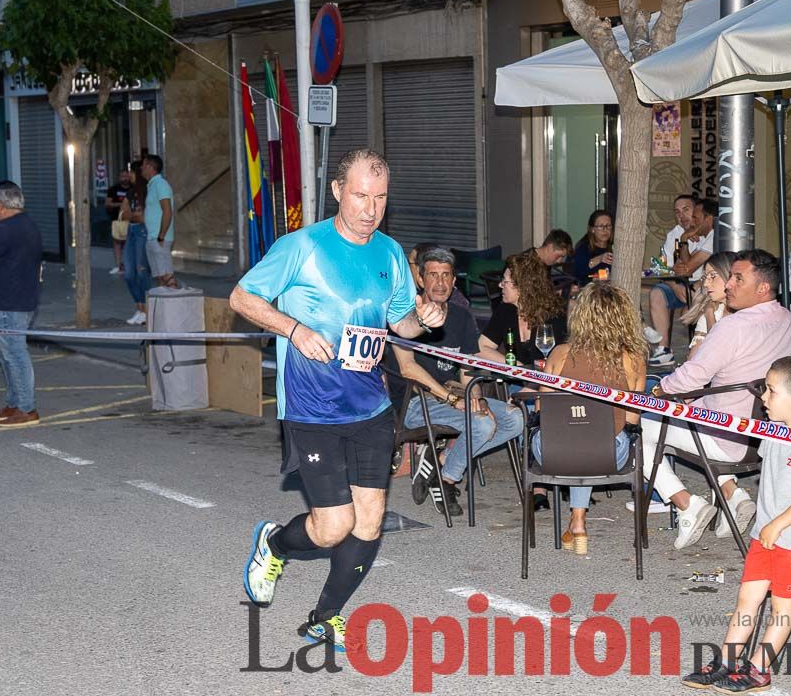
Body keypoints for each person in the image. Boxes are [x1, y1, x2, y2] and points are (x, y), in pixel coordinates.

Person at [232, 148, 445, 654]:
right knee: (333, 526)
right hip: (312, 408)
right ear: (337, 192)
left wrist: (425, 319)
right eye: (360, 196)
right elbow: (242, 298)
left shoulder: (391, 253)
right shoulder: (301, 247)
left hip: (370, 407)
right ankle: (275, 544)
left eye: (380, 198)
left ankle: (325, 617)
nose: (370, 209)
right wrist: (295, 329)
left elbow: (401, 324)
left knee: (368, 519)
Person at [682, 356, 791, 693]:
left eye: (770, 390)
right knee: (747, 599)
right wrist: (768, 525)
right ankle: (726, 661)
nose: (762, 397)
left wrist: (777, 525)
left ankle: (760, 669)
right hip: (766, 532)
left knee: (782, 607)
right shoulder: (775, 431)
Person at [640, 250, 791, 550]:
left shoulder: (734, 326)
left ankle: (685, 502)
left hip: (723, 437)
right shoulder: (789, 320)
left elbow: (690, 378)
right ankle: (732, 495)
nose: (729, 285)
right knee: (692, 408)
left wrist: (657, 391)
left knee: (638, 427)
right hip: (762, 435)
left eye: (738, 279)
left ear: (762, 288)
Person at [394, 247, 524, 518]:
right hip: (416, 401)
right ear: (420, 279)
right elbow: (408, 369)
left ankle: (442, 467)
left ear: (454, 282)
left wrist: (475, 397)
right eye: (433, 275)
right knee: (482, 424)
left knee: (515, 419)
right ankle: (448, 478)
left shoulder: (462, 317)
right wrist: (453, 400)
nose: (440, 283)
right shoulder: (404, 316)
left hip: (451, 397)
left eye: (446, 276)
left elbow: (466, 370)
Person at [531, 282, 648, 554]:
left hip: (554, 452)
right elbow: (633, 419)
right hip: (607, 454)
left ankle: (578, 520)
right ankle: (578, 520)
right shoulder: (634, 359)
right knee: (592, 439)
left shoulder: (560, 354)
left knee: (571, 435)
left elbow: (542, 407)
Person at [0, 182, 44, 428]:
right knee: (6, 355)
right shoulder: (24, 224)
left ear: (0, 206)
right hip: (10, 300)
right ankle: (15, 402)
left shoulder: (8, 227)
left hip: (9, 303)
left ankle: (26, 407)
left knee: (14, 354)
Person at [645, 194, 714, 365]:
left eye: (686, 210)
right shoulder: (673, 235)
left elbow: (687, 266)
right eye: (677, 212)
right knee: (657, 293)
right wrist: (675, 285)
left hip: (701, 284)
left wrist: (681, 269)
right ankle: (664, 350)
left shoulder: (708, 231)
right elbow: (664, 269)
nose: (681, 216)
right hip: (678, 283)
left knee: (688, 311)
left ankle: (704, 351)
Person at [478, 252, 566, 367]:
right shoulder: (505, 309)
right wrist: (517, 367)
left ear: (522, 287)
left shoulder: (552, 315)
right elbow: (481, 347)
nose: (500, 285)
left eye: (505, 281)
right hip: (518, 380)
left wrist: (529, 380)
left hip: (546, 381)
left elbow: (558, 361)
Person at [679, 251, 735, 354]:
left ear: (729, 274)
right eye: (705, 277)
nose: (705, 284)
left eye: (713, 276)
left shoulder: (748, 312)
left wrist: (709, 315)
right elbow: (695, 357)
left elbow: (718, 350)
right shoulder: (714, 310)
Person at [119, 159, 152, 324]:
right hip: (131, 231)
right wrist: (133, 215)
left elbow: (144, 217)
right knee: (128, 273)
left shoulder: (147, 191)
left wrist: (132, 214)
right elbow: (124, 214)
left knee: (141, 271)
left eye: (132, 172)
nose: (129, 175)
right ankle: (140, 308)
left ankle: (146, 309)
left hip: (142, 232)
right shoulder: (130, 193)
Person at [141, 154, 178, 288]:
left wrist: (161, 236)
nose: (141, 168)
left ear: (150, 167)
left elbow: (167, 210)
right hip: (153, 237)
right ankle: (165, 307)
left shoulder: (161, 184)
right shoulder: (152, 185)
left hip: (159, 238)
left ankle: (175, 307)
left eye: (144, 165)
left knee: (167, 277)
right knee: (160, 277)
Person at [571, 210, 613, 287]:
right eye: (601, 226)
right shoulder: (583, 248)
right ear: (592, 229)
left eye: (608, 226)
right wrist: (599, 259)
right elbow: (577, 275)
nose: (605, 230)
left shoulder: (614, 248)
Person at [105, 168, 131, 275]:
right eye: (122, 176)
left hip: (130, 220)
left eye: (126, 176)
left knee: (128, 243)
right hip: (116, 220)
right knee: (117, 242)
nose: (124, 179)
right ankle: (118, 265)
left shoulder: (133, 188)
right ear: (119, 177)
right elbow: (107, 203)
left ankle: (128, 265)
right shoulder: (113, 189)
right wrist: (121, 205)